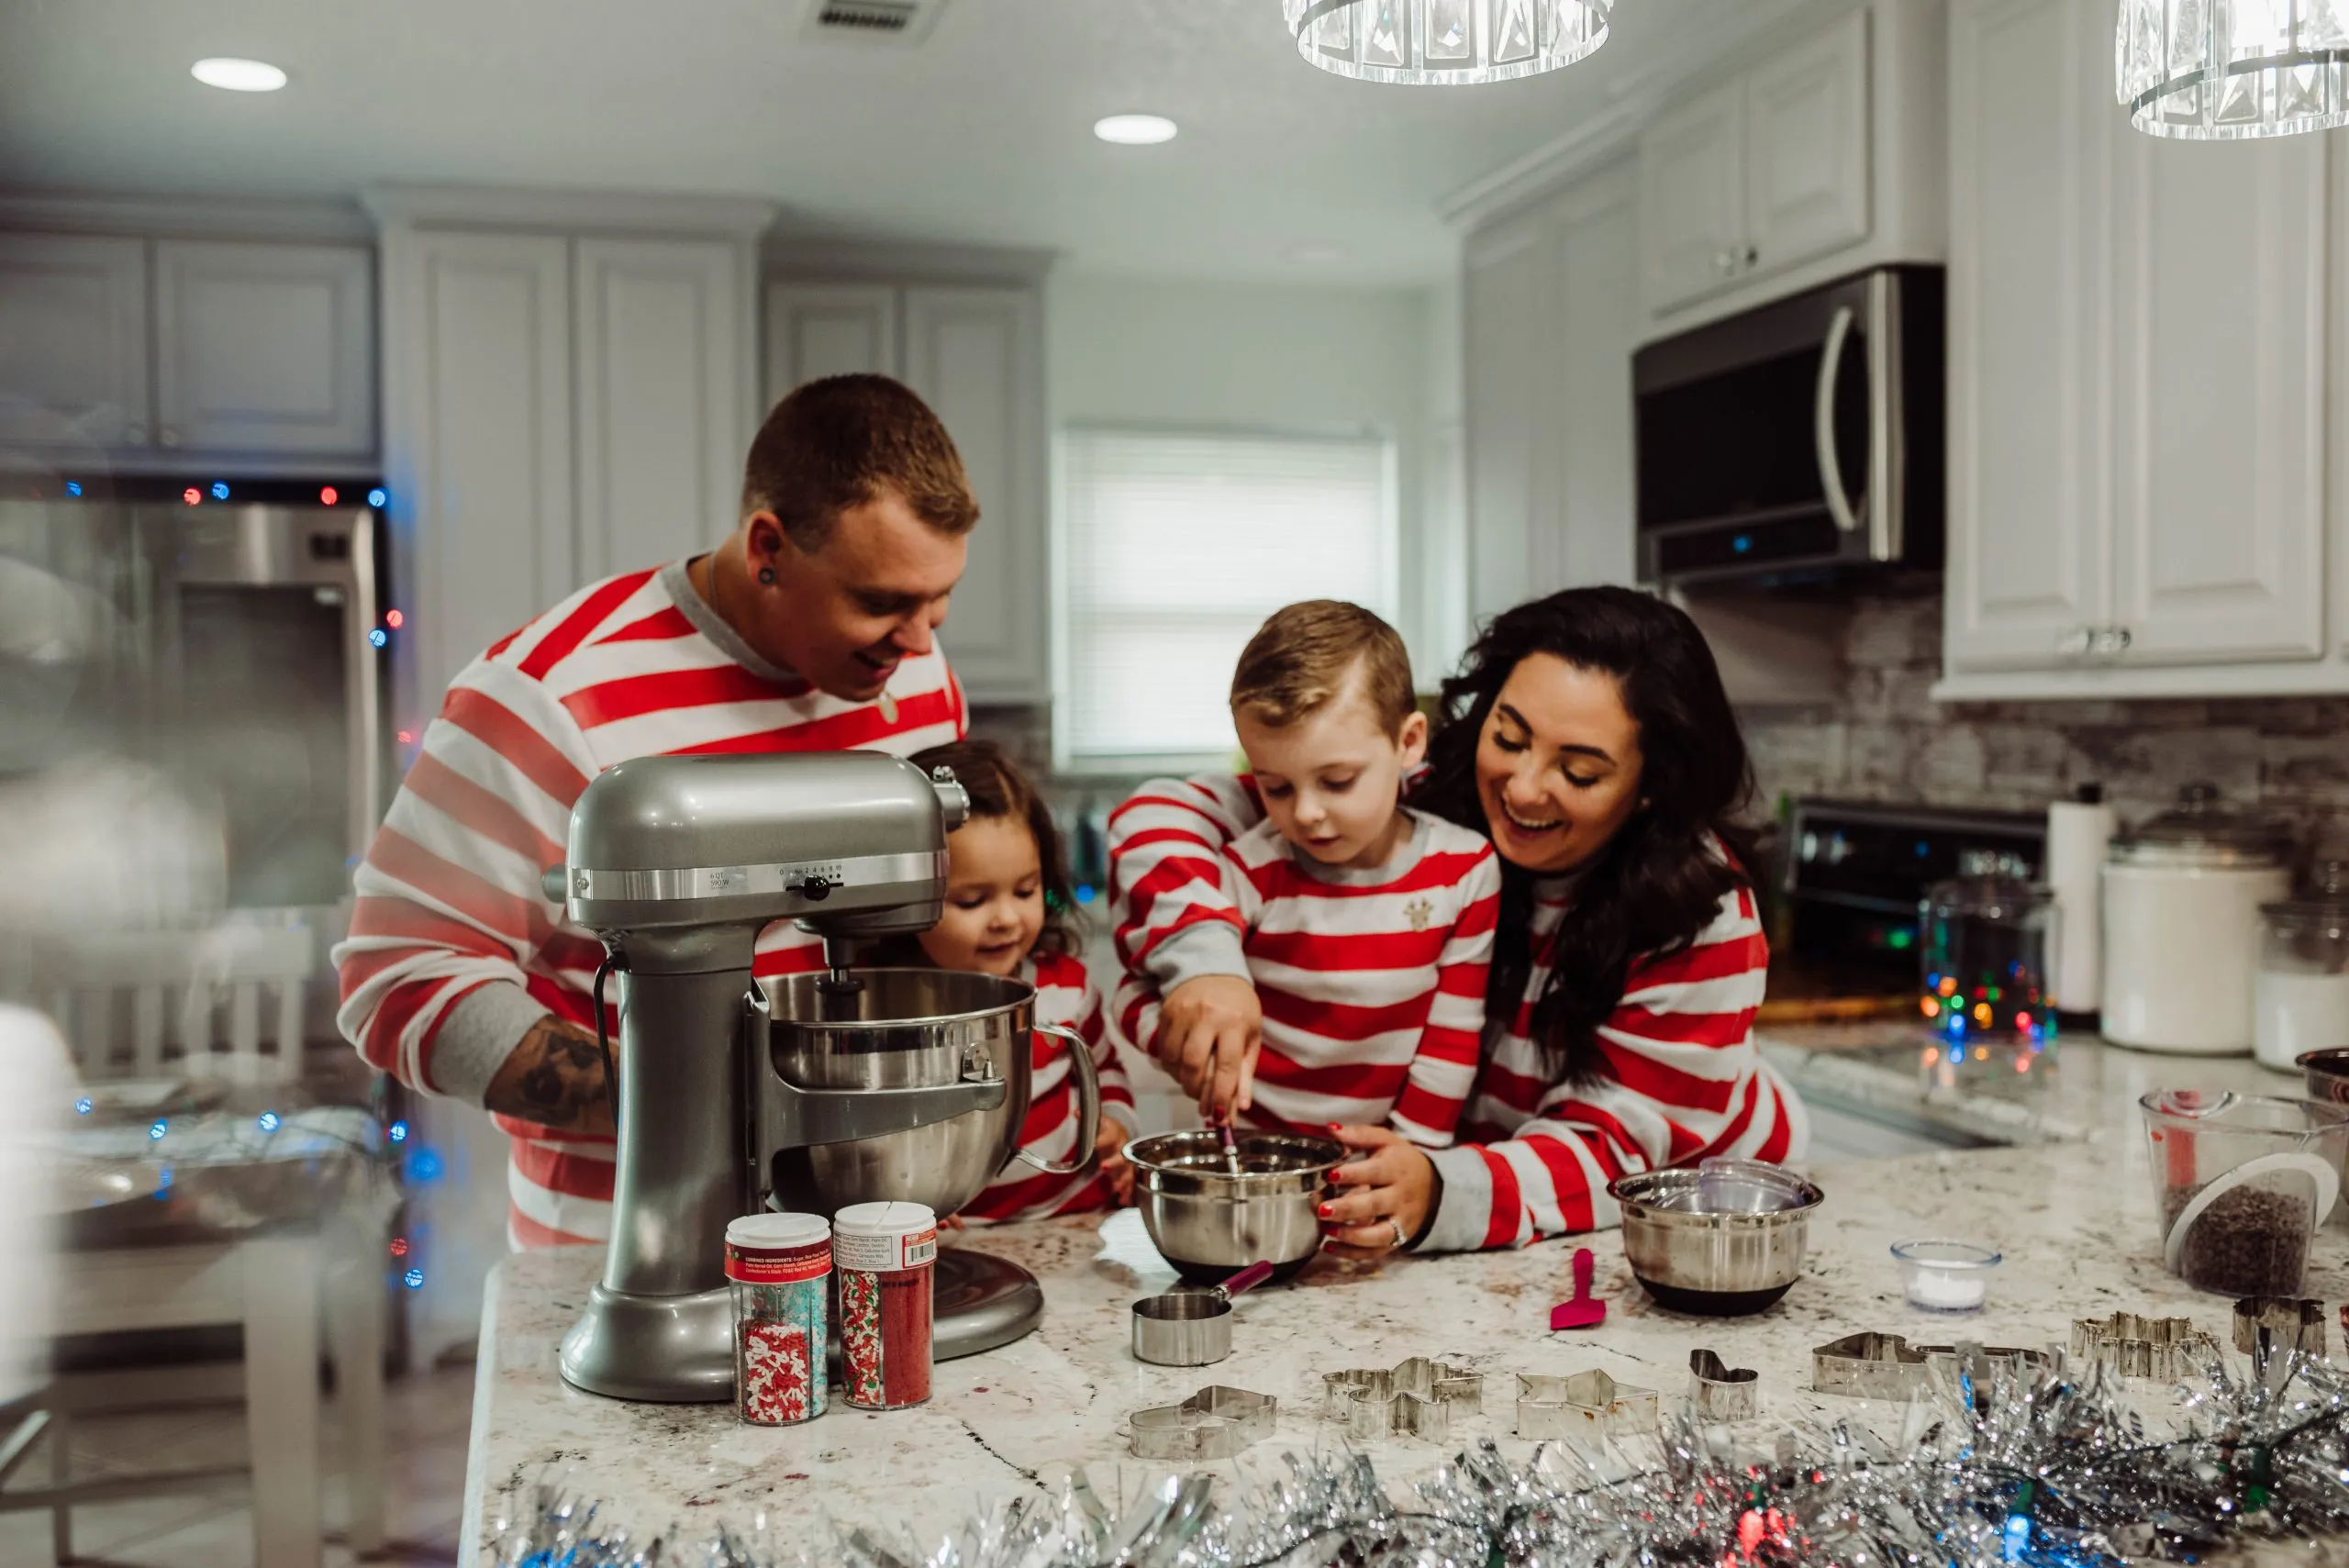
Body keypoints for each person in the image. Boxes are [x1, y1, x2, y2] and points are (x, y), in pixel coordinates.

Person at [335, 374, 976, 1248]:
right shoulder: (549, 696)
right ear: (768, 547)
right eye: (881, 602)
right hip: (621, 1248)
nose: (919, 643)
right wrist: (698, 1104)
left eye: (939, 600)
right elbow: (398, 978)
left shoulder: (917, 680)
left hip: (874, 1231)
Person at [1109, 586, 1806, 1253]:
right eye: (1509, 736)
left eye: (1581, 772)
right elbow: (1157, 819)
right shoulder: (1403, 800)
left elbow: (1617, 1154)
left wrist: (1440, 1189)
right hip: (1486, 1196)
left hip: (1698, 1212)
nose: (1523, 787)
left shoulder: (1703, 913)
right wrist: (1205, 963)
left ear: (1652, 787)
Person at [1114, 601, 1497, 1147]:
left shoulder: (1465, 871)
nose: (1307, 813)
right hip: (1256, 1160)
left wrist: (1409, 1158)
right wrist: (1190, 1045)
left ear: (1409, 742)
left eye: (1337, 781)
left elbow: (1450, 1045)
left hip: (1391, 1158)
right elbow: (1132, 997)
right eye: (1276, 787)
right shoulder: (1251, 868)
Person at [867, 740, 1134, 1220]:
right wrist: (898, 1197)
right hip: (958, 1232)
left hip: (1074, 1217)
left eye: (1026, 890)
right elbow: (869, 1131)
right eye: (972, 901)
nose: (1007, 919)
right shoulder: (881, 1013)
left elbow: (1104, 1070)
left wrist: (1115, 1121)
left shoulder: (1066, 987)